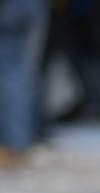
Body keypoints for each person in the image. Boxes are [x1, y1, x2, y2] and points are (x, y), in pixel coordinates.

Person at [0, 0, 49, 164]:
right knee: (27, 69)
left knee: (9, 71)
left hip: (10, 8)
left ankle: (11, 144)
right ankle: (29, 133)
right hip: (32, 6)